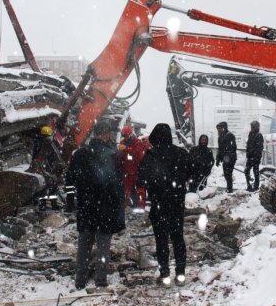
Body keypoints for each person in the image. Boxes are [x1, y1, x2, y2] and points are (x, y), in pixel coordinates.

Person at [65, 120, 125, 290]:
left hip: (86, 207)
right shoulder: (111, 155)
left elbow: (70, 180)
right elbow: (117, 185)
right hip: (105, 208)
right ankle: (101, 279)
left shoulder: (80, 154)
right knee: (103, 245)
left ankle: (80, 279)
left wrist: (71, 201)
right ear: (106, 134)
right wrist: (118, 208)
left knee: (84, 244)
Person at [138, 123, 191, 286]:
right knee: (177, 238)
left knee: (161, 240)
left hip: (158, 204)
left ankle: (165, 274)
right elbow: (190, 173)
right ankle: (181, 274)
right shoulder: (181, 153)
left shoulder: (151, 155)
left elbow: (142, 178)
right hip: (176, 203)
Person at [118, 125, 149, 210]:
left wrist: (126, 149)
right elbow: (121, 158)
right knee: (126, 192)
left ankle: (140, 208)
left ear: (131, 134)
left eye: (126, 136)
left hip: (137, 172)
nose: (125, 138)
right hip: (127, 173)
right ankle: (127, 208)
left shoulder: (138, 143)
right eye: (124, 136)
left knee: (140, 192)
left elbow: (139, 156)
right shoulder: (123, 143)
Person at [215, 121, 237, 193]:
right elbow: (220, 149)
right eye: (217, 129)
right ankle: (229, 188)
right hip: (225, 159)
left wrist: (228, 157)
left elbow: (233, 148)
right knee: (226, 173)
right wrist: (218, 159)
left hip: (230, 158)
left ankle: (229, 189)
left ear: (224, 128)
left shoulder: (230, 135)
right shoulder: (220, 137)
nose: (218, 130)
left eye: (219, 128)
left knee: (228, 173)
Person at [244, 121, 264, 191]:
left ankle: (255, 187)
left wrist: (255, 155)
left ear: (256, 127)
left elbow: (259, 147)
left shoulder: (259, 135)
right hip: (250, 157)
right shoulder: (250, 134)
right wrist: (248, 152)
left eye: (253, 127)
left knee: (255, 172)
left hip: (256, 158)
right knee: (246, 171)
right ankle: (249, 185)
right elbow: (248, 144)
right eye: (251, 127)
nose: (251, 128)